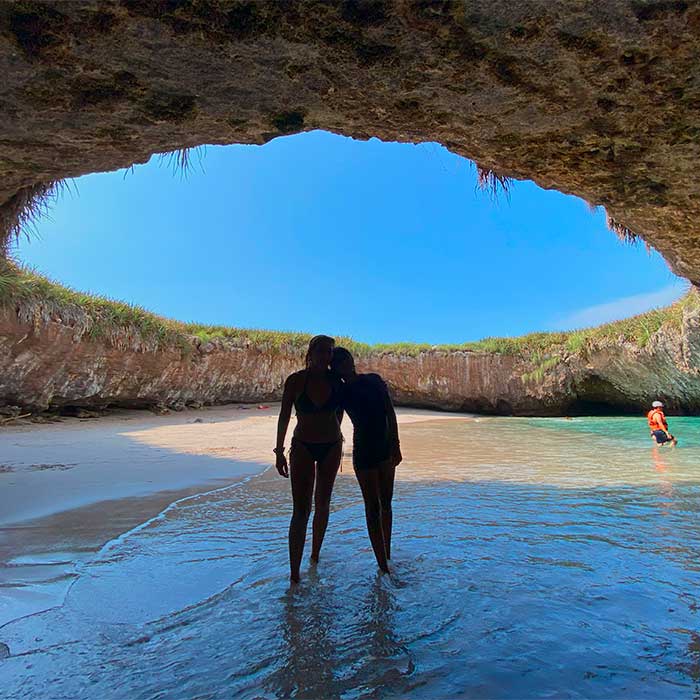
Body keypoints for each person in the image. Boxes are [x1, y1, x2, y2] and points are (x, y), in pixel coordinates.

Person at [275, 335, 343, 583]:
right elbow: (284, 416)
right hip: (302, 446)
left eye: (330, 352)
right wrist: (279, 450)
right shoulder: (295, 381)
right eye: (322, 351)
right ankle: (294, 574)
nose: (326, 356)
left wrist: (335, 437)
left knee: (323, 503)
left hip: (332, 447)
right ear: (311, 353)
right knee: (300, 510)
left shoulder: (337, 381)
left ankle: (315, 555)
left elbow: (340, 414)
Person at [330, 347, 402, 574]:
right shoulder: (340, 392)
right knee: (372, 508)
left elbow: (390, 413)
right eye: (339, 362)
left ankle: (387, 554)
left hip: (384, 446)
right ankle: (382, 565)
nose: (345, 364)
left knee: (386, 503)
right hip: (363, 450)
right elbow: (334, 422)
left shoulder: (374, 380)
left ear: (352, 360)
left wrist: (396, 444)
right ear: (334, 368)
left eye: (346, 359)